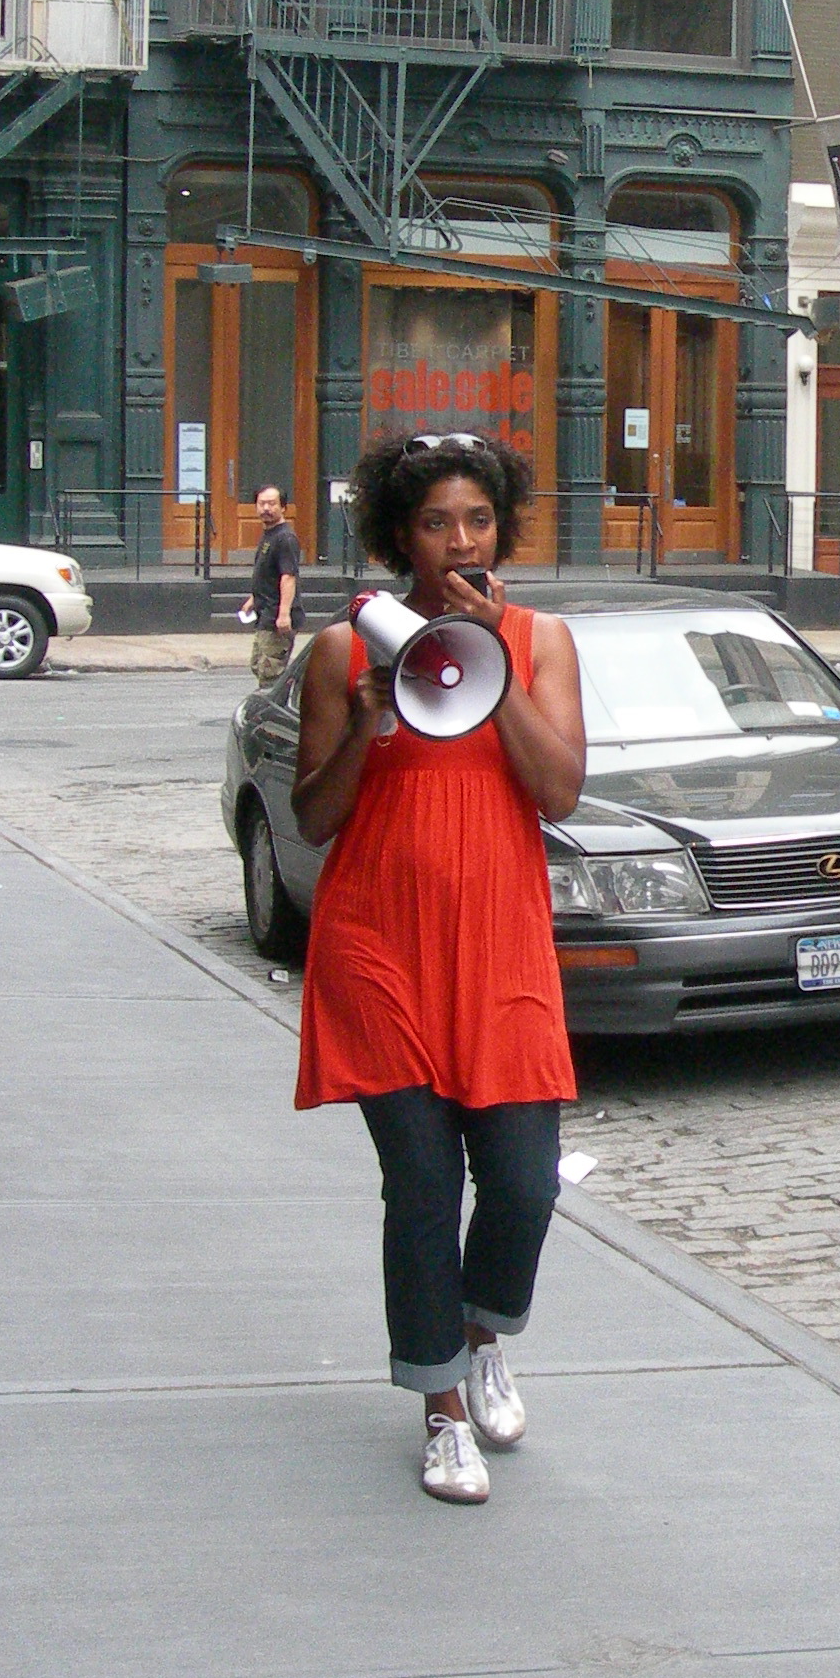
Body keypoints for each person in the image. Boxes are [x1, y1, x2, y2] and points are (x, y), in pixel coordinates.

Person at [291, 432, 586, 1505]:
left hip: (497, 942)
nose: (459, 540)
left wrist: (489, 660)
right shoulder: (343, 652)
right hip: (379, 947)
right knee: (421, 1184)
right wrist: (368, 718)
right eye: (434, 522)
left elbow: (559, 794)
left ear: (501, 525)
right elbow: (313, 819)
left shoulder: (542, 639)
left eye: (477, 519)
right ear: (397, 536)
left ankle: (481, 1335)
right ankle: (441, 1410)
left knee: (521, 1181)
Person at [244, 484, 301, 687]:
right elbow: (269, 574)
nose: (266, 508)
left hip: (276, 616)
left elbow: (288, 577)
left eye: (272, 504)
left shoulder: (285, 538)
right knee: (258, 665)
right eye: (262, 504)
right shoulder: (270, 534)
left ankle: (276, 713)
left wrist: (284, 613)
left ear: (283, 507)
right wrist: (254, 598)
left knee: (270, 673)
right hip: (264, 611)